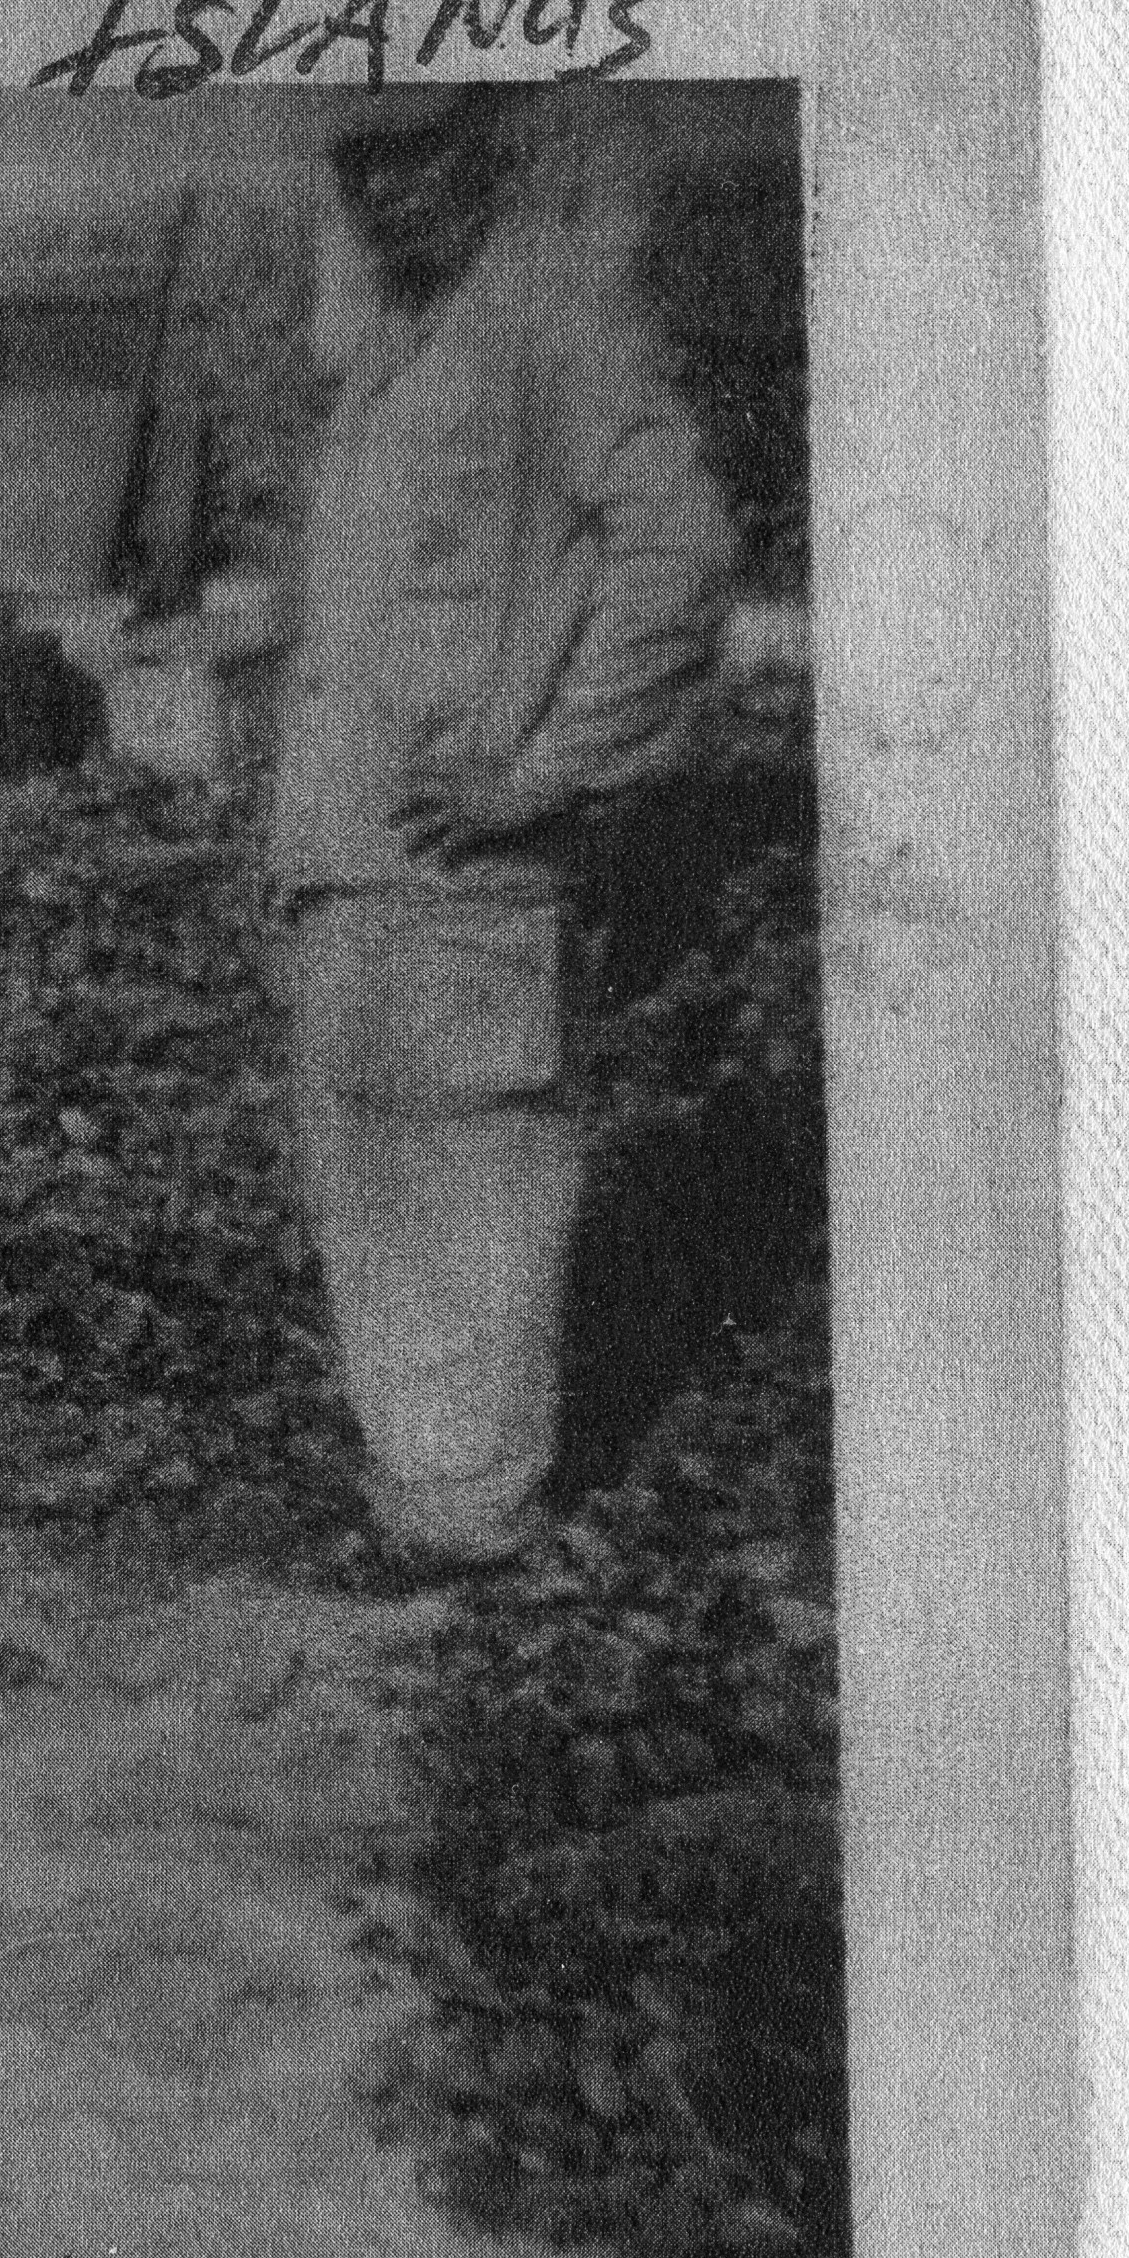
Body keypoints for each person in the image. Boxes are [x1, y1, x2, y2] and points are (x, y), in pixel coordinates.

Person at [276, 86, 741, 1574]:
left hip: (473, 870)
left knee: (475, 1180)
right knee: (372, 1182)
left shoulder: (553, 319)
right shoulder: (386, 356)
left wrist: (547, 769)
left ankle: (473, 1529)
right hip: (353, 863)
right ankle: (429, 1510)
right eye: (368, 167)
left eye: (426, 157)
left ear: (485, 158)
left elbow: (682, 554)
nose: (397, 195)